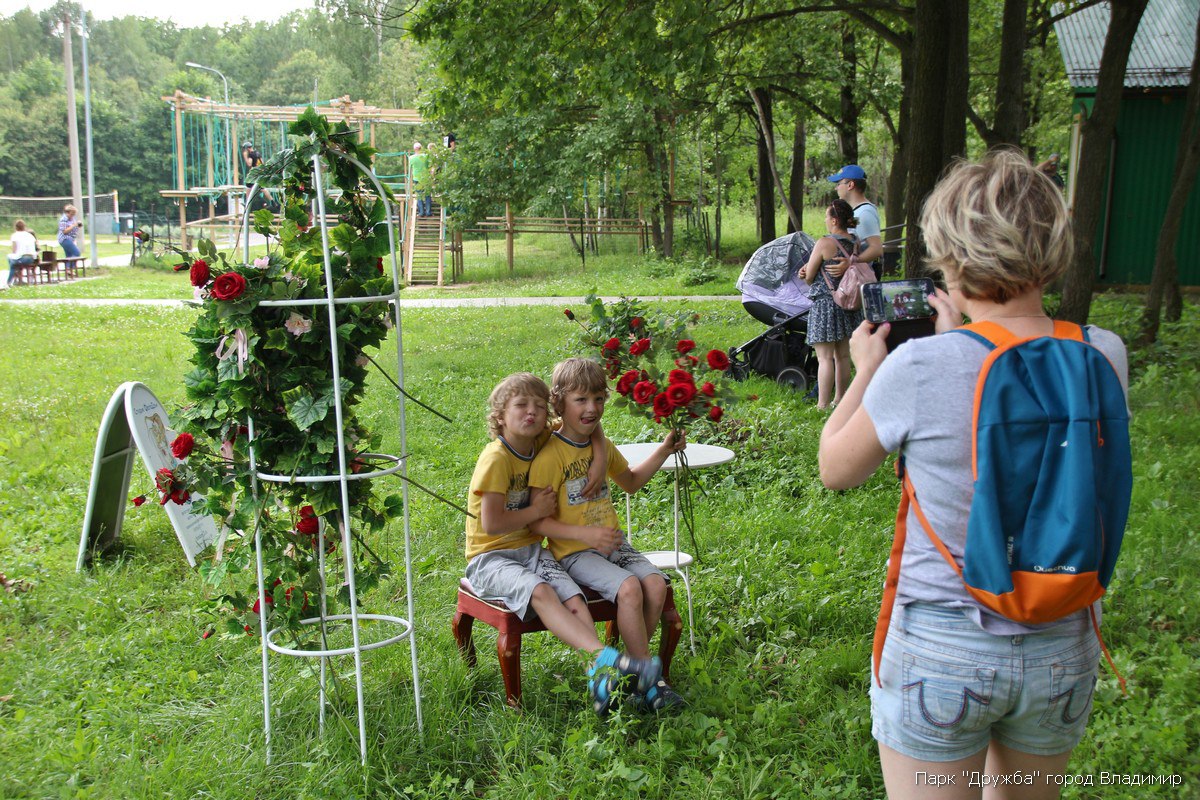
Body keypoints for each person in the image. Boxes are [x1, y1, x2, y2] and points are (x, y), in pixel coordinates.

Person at [818, 150, 1129, 799]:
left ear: (952, 257)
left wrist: (870, 367)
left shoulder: (920, 366)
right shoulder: (1104, 352)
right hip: (1063, 641)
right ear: (1053, 244)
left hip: (943, 646)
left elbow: (836, 468)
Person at [464, 373, 661, 716]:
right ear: (499, 415)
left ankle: (600, 681)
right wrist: (534, 511)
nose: (531, 413)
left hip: (532, 551)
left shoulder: (541, 439)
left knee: (573, 598)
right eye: (521, 406)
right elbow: (491, 523)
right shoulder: (496, 458)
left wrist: (600, 458)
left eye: (539, 407)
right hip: (490, 557)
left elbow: (588, 425)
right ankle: (606, 660)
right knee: (541, 591)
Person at [529, 358, 687, 713]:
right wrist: (586, 535)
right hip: (575, 552)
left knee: (657, 585)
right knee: (630, 588)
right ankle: (650, 683)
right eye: (581, 400)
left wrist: (662, 450)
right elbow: (537, 523)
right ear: (559, 403)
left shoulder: (601, 445)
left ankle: (631, 675)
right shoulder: (549, 457)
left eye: (598, 399)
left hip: (614, 544)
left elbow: (630, 482)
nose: (592, 408)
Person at [802, 199, 863, 410]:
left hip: (826, 304)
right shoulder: (855, 242)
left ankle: (822, 404)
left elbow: (809, 277)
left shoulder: (824, 243)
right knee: (843, 356)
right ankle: (840, 399)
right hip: (848, 303)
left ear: (835, 220)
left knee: (825, 358)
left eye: (827, 217)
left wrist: (807, 272)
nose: (826, 221)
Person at [828, 164, 884, 279]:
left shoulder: (865, 213)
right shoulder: (857, 212)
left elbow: (876, 248)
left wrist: (851, 262)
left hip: (860, 280)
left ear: (850, 185)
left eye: (838, 184)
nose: (836, 188)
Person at [6, 219, 39, 288]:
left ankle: (12, 280)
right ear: (24, 227)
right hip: (31, 258)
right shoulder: (30, 235)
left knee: (11, 262)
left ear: (15, 227)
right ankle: (16, 277)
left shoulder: (15, 235)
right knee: (13, 262)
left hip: (22, 258)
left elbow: (14, 251)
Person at [409, 142, 431, 217]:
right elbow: (429, 166)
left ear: (414, 149)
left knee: (419, 195)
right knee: (427, 195)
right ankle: (428, 212)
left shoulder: (411, 158)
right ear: (421, 148)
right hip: (425, 178)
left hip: (416, 178)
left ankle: (421, 212)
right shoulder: (426, 157)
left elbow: (410, 168)